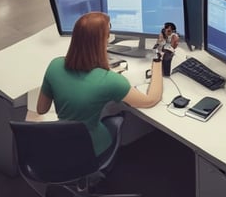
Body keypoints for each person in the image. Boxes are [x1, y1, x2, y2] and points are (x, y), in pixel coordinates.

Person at [37, 12, 163, 158]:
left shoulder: (55, 65)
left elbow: (41, 109)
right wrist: (157, 62)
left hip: (60, 143)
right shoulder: (110, 80)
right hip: (92, 150)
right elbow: (150, 100)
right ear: (103, 40)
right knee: (116, 115)